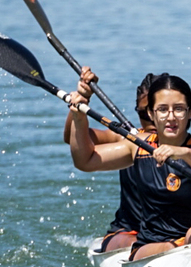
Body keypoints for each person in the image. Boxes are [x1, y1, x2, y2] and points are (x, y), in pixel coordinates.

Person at [68, 73, 191, 261]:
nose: (171, 117)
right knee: (169, 245)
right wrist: (79, 118)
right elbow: (85, 160)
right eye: (163, 109)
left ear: (190, 112)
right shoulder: (138, 146)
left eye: (179, 109)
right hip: (151, 246)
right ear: (151, 113)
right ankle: (179, 249)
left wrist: (181, 152)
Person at [62, 67, 162, 254]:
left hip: (169, 232)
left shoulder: (187, 148)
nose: (153, 121)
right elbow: (72, 138)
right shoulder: (127, 139)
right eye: (144, 114)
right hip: (129, 232)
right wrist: (81, 105)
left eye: (159, 111)